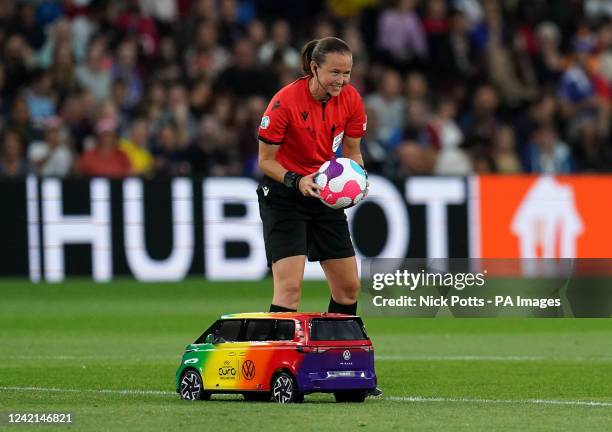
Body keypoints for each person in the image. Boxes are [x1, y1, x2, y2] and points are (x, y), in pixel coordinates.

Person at [256, 37, 381, 396]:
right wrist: (298, 180)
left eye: (347, 73)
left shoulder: (351, 100)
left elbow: (353, 152)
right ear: (314, 68)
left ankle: (342, 366)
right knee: (290, 288)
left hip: (324, 196)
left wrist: (357, 181)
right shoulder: (283, 103)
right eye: (335, 73)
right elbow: (266, 161)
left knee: (348, 288)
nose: (341, 81)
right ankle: (271, 371)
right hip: (285, 196)